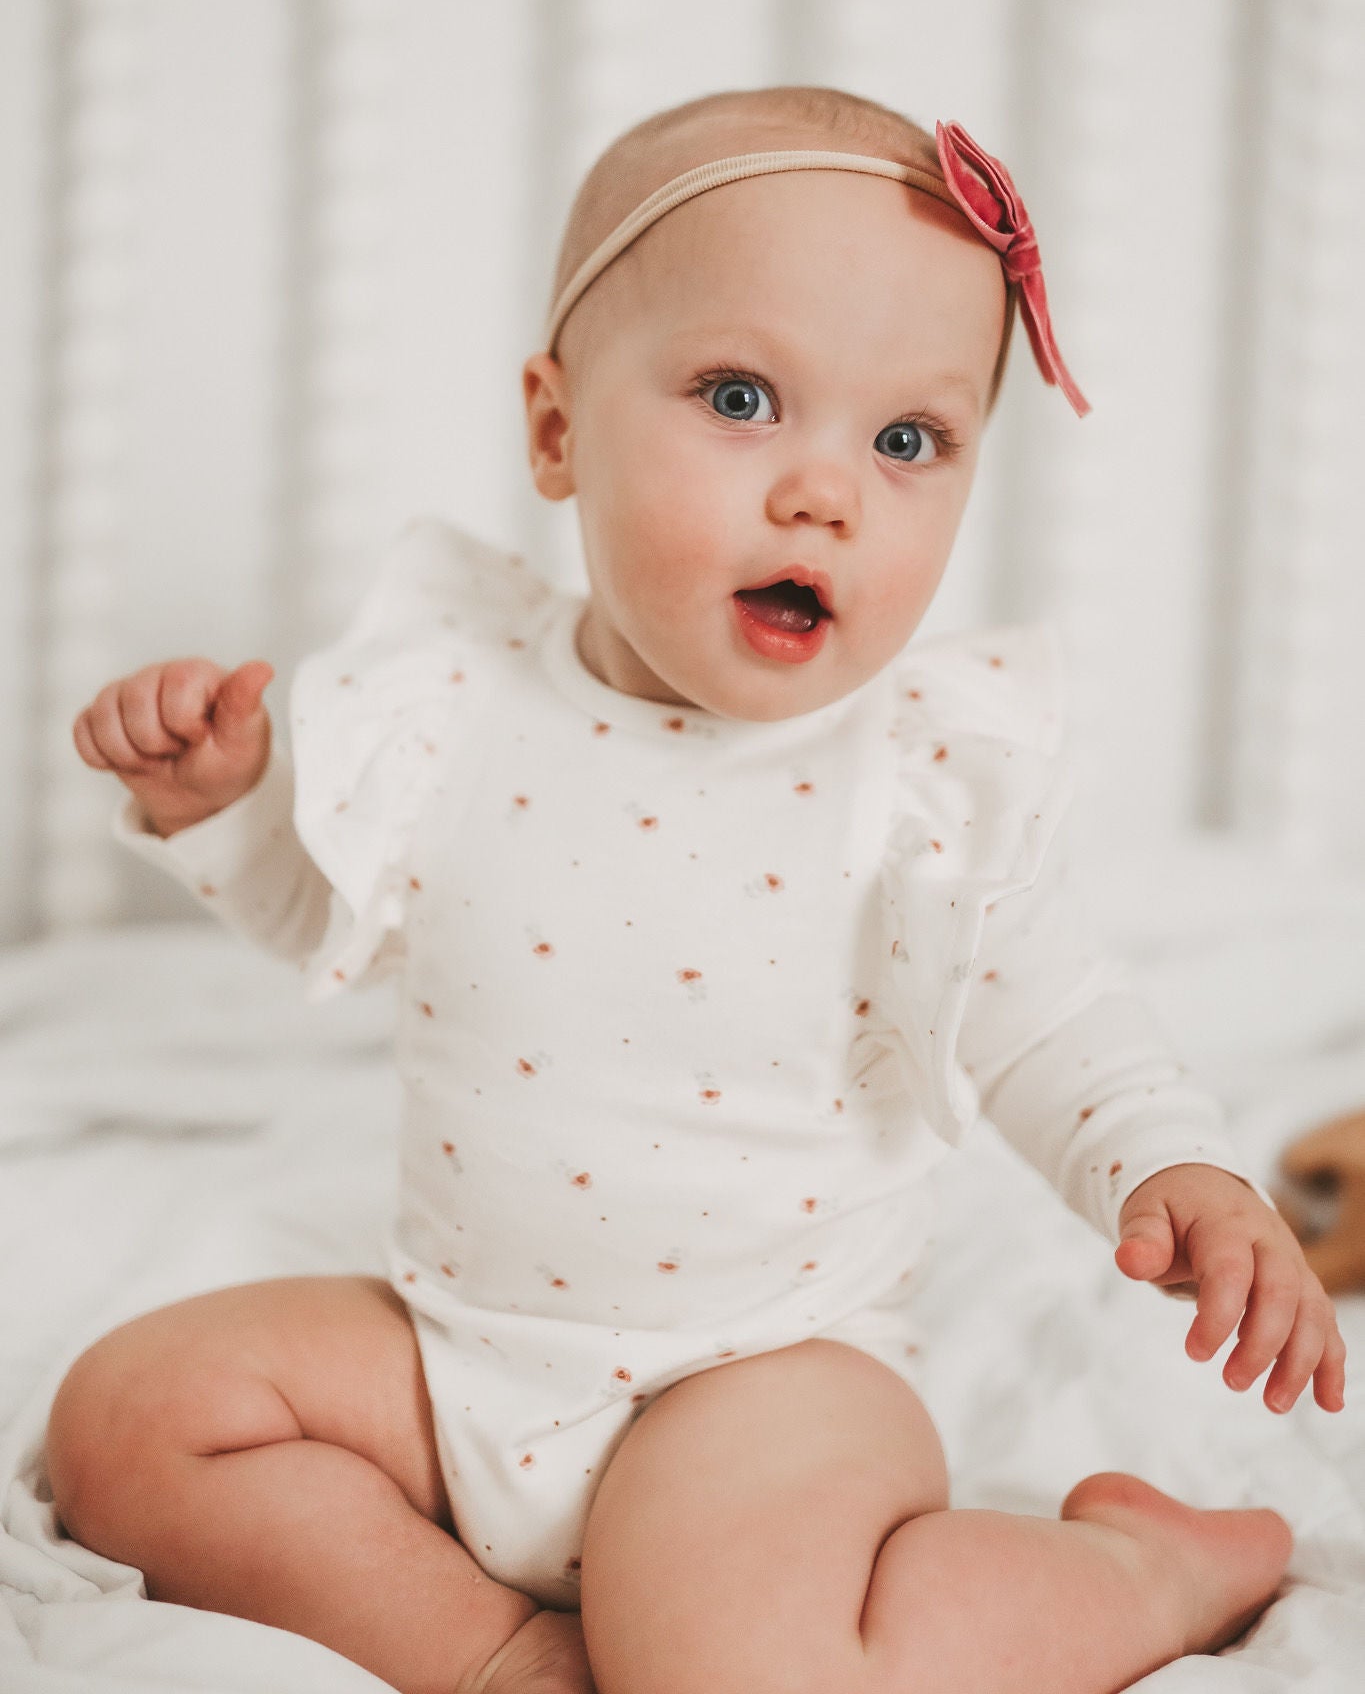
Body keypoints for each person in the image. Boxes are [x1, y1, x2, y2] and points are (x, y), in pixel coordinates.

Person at [44, 87, 1344, 1694]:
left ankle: (1134, 1572)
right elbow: (337, 926)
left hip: (765, 1382)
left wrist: (1174, 1168)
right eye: (741, 397)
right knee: (128, 1417)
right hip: (463, 1353)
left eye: (907, 440)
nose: (825, 493)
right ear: (556, 428)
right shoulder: (454, 697)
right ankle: (496, 1650)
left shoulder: (915, 779)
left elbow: (1051, 1018)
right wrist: (228, 808)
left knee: (736, 1663)